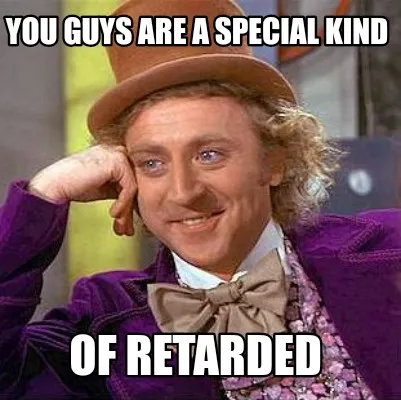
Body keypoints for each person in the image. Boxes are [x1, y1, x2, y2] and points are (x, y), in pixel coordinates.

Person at [0, 0, 400, 399]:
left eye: (209, 155)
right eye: (152, 163)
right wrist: (45, 194)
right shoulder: (102, 321)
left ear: (273, 161)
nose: (184, 192)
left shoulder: (389, 250)